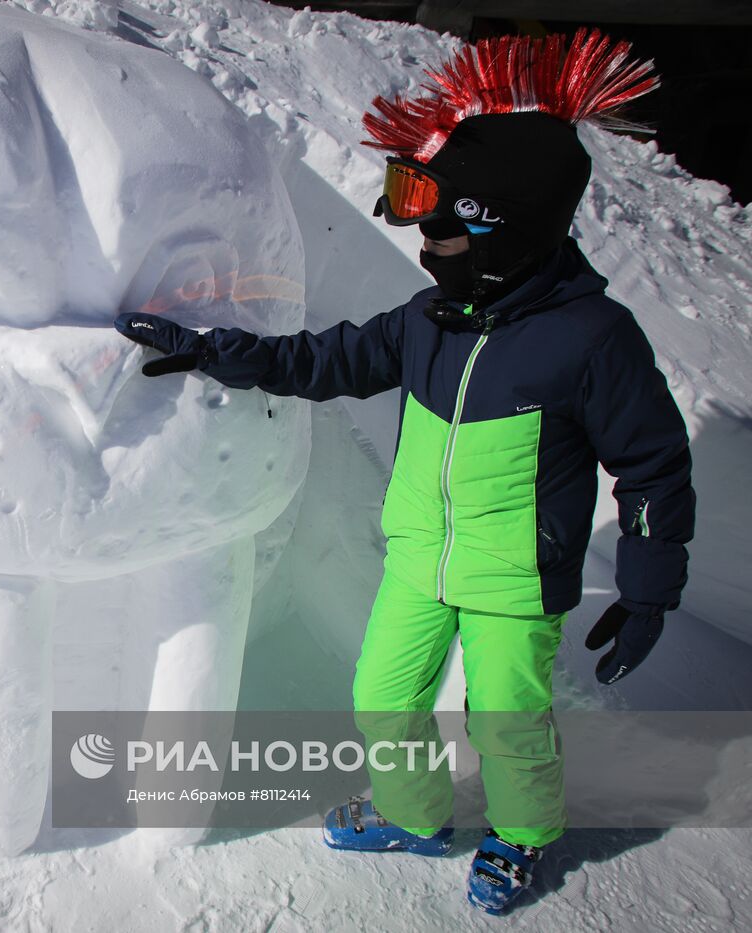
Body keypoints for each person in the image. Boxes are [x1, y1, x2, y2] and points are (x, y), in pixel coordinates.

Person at [113, 29, 695, 915]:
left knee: (508, 725)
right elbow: (323, 360)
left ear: (507, 226)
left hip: (514, 577)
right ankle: (413, 812)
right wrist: (211, 352)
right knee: (385, 700)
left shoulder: (590, 341)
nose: (429, 234)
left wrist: (648, 590)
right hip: (420, 559)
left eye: (448, 218)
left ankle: (523, 834)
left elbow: (654, 464)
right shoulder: (430, 320)